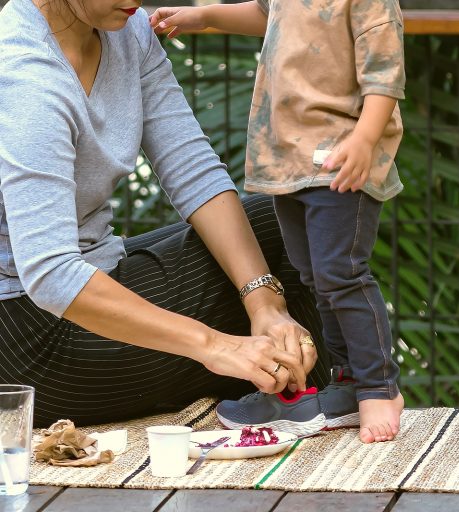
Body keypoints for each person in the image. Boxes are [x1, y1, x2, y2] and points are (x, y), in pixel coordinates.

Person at [0, 0, 327, 429]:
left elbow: (191, 167)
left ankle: (296, 404)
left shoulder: (127, 29)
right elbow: (53, 274)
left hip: (91, 273)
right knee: (240, 323)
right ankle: (318, 414)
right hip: (25, 343)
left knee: (284, 220)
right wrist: (214, 345)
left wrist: (264, 302)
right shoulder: (25, 74)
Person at [149, 0, 406, 443]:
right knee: (314, 277)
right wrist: (206, 16)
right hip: (288, 162)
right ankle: (345, 385)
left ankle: (380, 386)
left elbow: (385, 71)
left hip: (339, 161)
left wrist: (365, 139)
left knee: (342, 274)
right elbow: (266, 13)